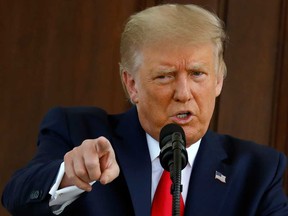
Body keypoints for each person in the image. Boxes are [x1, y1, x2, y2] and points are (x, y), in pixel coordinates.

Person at [2, 3, 288, 216]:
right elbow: (16, 198)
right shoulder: (78, 131)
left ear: (219, 81)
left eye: (198, 74)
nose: (183, 93)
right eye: (165, 76)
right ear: (132, 85)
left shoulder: (259, 172)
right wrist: (70, 174)